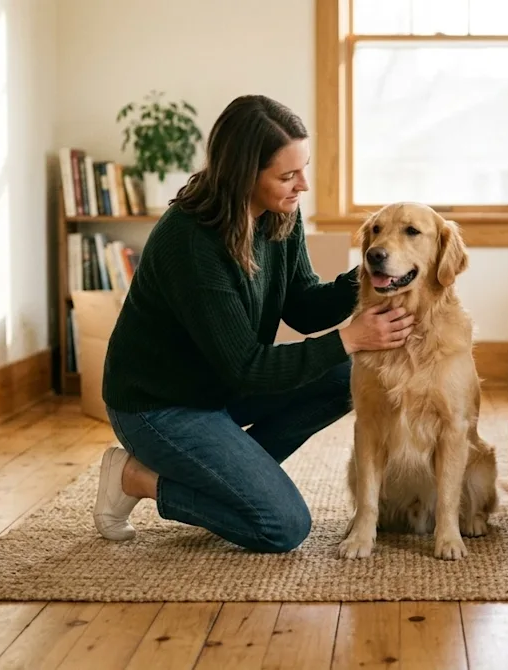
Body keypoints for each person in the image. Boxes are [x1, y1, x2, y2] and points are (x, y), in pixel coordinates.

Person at [92, 94, 414, 553]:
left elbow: (303, 306)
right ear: (244, 175)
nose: (302, 184)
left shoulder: (279, 213)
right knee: (281, 525)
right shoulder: (190, 243)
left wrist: (372, 269)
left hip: (219, 387)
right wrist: (349, 337)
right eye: (287, 175)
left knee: (346, 378)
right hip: (160, 406)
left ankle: (231, 477)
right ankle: (135, 477)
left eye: (302, 169)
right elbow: (248, 368)